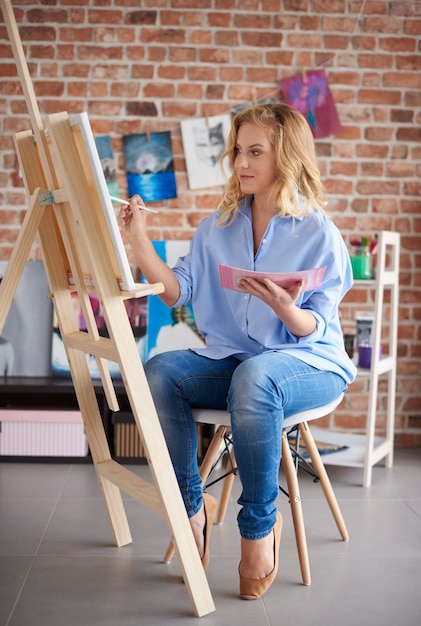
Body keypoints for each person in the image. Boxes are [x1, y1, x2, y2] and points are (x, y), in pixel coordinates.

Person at [118, 103, 357, 600]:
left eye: (255, 152)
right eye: (237, 151)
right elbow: (177, 292)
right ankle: (191, 511)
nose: (241, 162)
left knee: (259, 377)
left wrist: (288, 310)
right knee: (160, 371)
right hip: (239, 360)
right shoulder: (217, 228)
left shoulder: (317, 231)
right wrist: (140, 244)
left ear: (286, 157)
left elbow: (317, 323)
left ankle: (258, 530)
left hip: (310, 363)